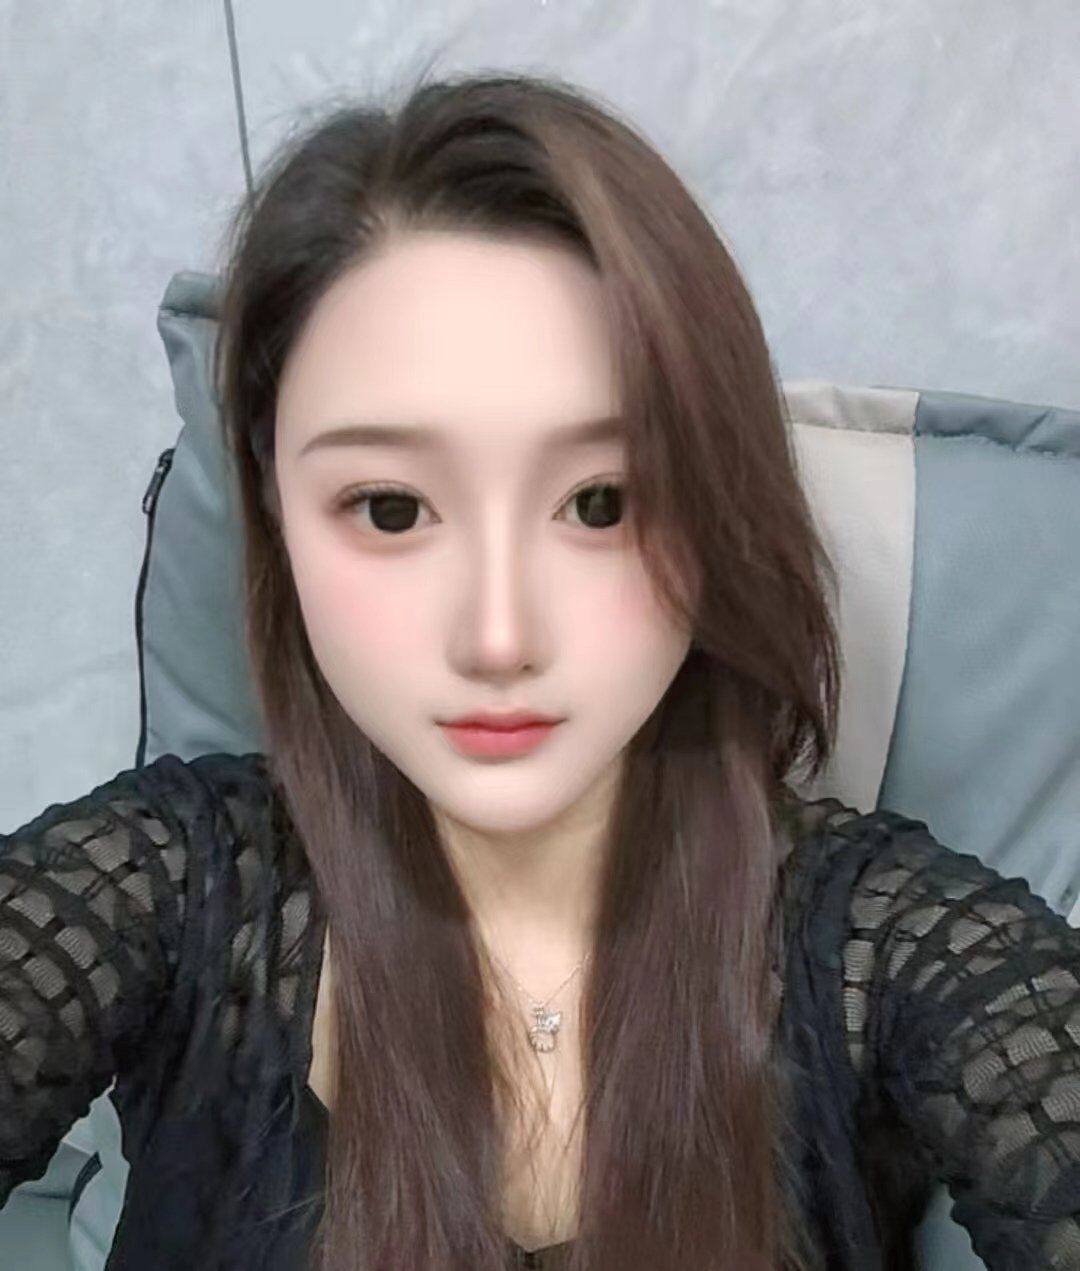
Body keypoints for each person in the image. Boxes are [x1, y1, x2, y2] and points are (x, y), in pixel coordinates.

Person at [2, 66, 1079, 1271]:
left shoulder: (889, 946)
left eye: (601, 502)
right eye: (392, 507)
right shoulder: (167, 884)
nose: (498, 634)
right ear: (275, 513)